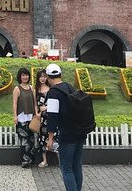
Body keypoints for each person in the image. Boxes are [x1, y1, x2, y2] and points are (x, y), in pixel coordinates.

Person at [46, 63, 86, 191]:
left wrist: (50, 139)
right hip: (79, 132)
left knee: (66, 168)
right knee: (76, 166)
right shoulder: (70, 87)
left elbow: (52, 117)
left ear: (48, 77)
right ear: (60, 74)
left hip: (67, 135)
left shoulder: (53, 93)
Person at [13, 67, 38, 167]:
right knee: (24, 140)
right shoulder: (17, 88)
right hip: (21, 117)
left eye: (26, 75)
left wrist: (36, 113)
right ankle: (24, 160)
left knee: (31, 139)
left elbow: (35, 103)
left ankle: (31, 159)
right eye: (23, 75)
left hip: (30, 117)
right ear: (20, 76)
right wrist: (15, 116)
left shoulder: (32, 88)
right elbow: (14, 103)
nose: (25, 77)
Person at [34, 68, 51, 168]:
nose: (43, 78)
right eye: (41, 76)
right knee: (42, 138)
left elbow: (55, 103)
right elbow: (35, 103)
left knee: (54, 136)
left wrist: (47, 107)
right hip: (41, 118)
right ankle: (45, 160)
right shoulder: (36, 90)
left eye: (44, 76)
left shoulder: (51, 89)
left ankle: (60, 158)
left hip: (51, 117)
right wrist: (37, 112)